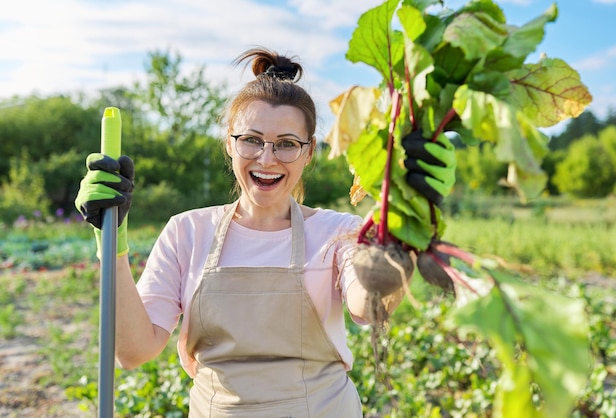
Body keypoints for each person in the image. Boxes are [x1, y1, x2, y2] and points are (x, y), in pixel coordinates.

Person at [75, 47, 456, 417]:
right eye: (252, 140)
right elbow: (133, 351)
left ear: (309, 153)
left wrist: (409, 214)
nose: (267, 158)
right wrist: (113, 243)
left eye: (287, 144)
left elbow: (369, 304)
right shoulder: (187, 231)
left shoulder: (338, 231)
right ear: (229, 143)